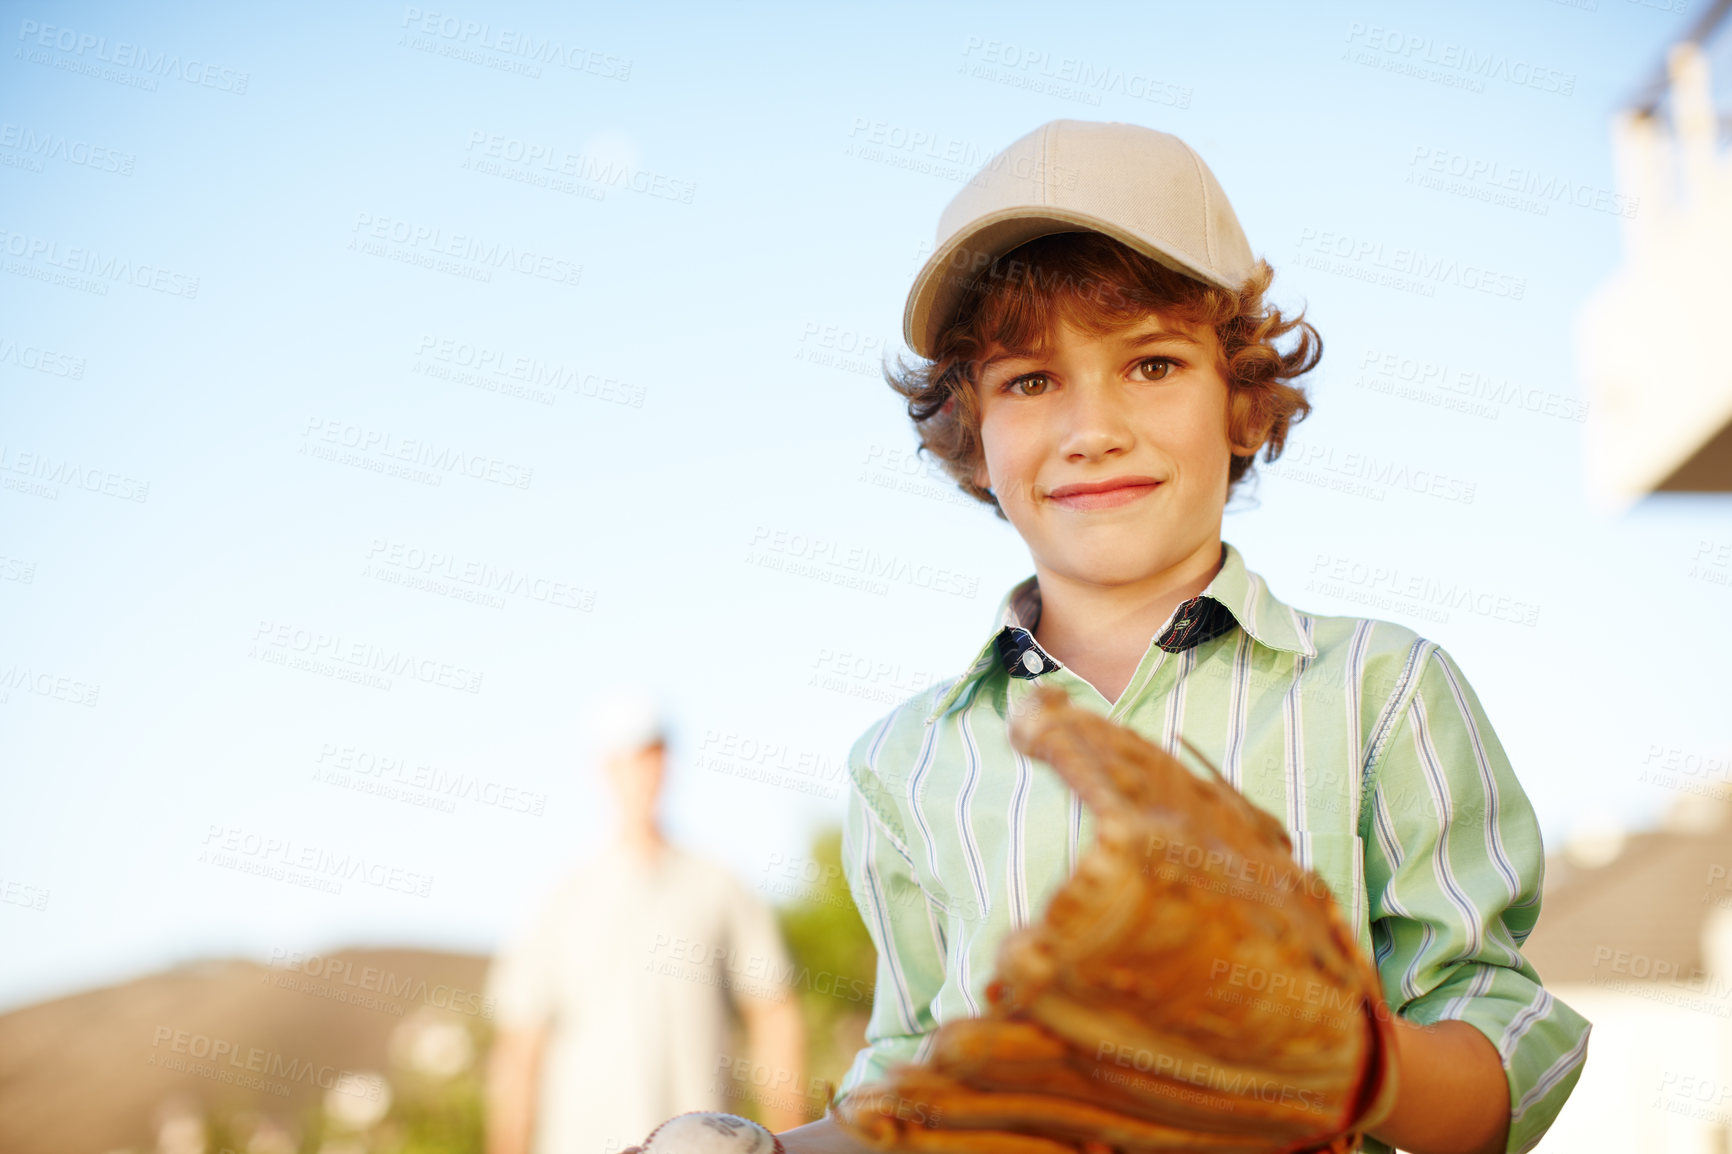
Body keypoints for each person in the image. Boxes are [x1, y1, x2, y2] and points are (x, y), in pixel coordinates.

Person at [774, 120, 1590, 1154]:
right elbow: (909, 1092)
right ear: (969, 432)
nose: (1094, 426)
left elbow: (1501, 1069)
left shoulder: (1381, 691)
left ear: (1241, 399)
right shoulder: (904, 759)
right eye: (1030, 380)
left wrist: (1352, 1057)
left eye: (1151, 364)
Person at [485, 689, 807, 1154]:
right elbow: (520, 1047)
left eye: (650, 756)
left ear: (668, 763)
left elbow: (774, 1010)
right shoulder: (559, 898)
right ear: (603, 770)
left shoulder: (719, 885)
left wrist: (788, 1142)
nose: (640, 774)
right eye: (626, 760)